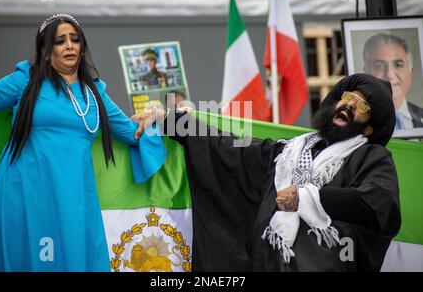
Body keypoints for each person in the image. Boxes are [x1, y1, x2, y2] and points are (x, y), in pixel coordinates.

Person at [133, 73, 401, 271]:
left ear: (369, 129)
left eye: (363, 105)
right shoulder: (287, 151)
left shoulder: (371, 157)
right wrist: (172, 120)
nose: (350, 105)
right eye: (348, 96)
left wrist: (309, 197)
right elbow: (228, 148)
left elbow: (378, 203)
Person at [0, 13, 166, 271]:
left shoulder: (94, 93)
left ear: (82, 46)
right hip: (23, 191)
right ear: (44, 49)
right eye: (59, 41)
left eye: (75, 40)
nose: (69, 46)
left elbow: (133, 134)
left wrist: (163, 116)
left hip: (73, 197)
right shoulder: (25, 80)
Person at [363, 32, 423, 129]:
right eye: (379, 66)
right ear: (366, 73)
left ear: (410, 73)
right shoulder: (357, 122)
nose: (390, 75)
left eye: (398, 65)